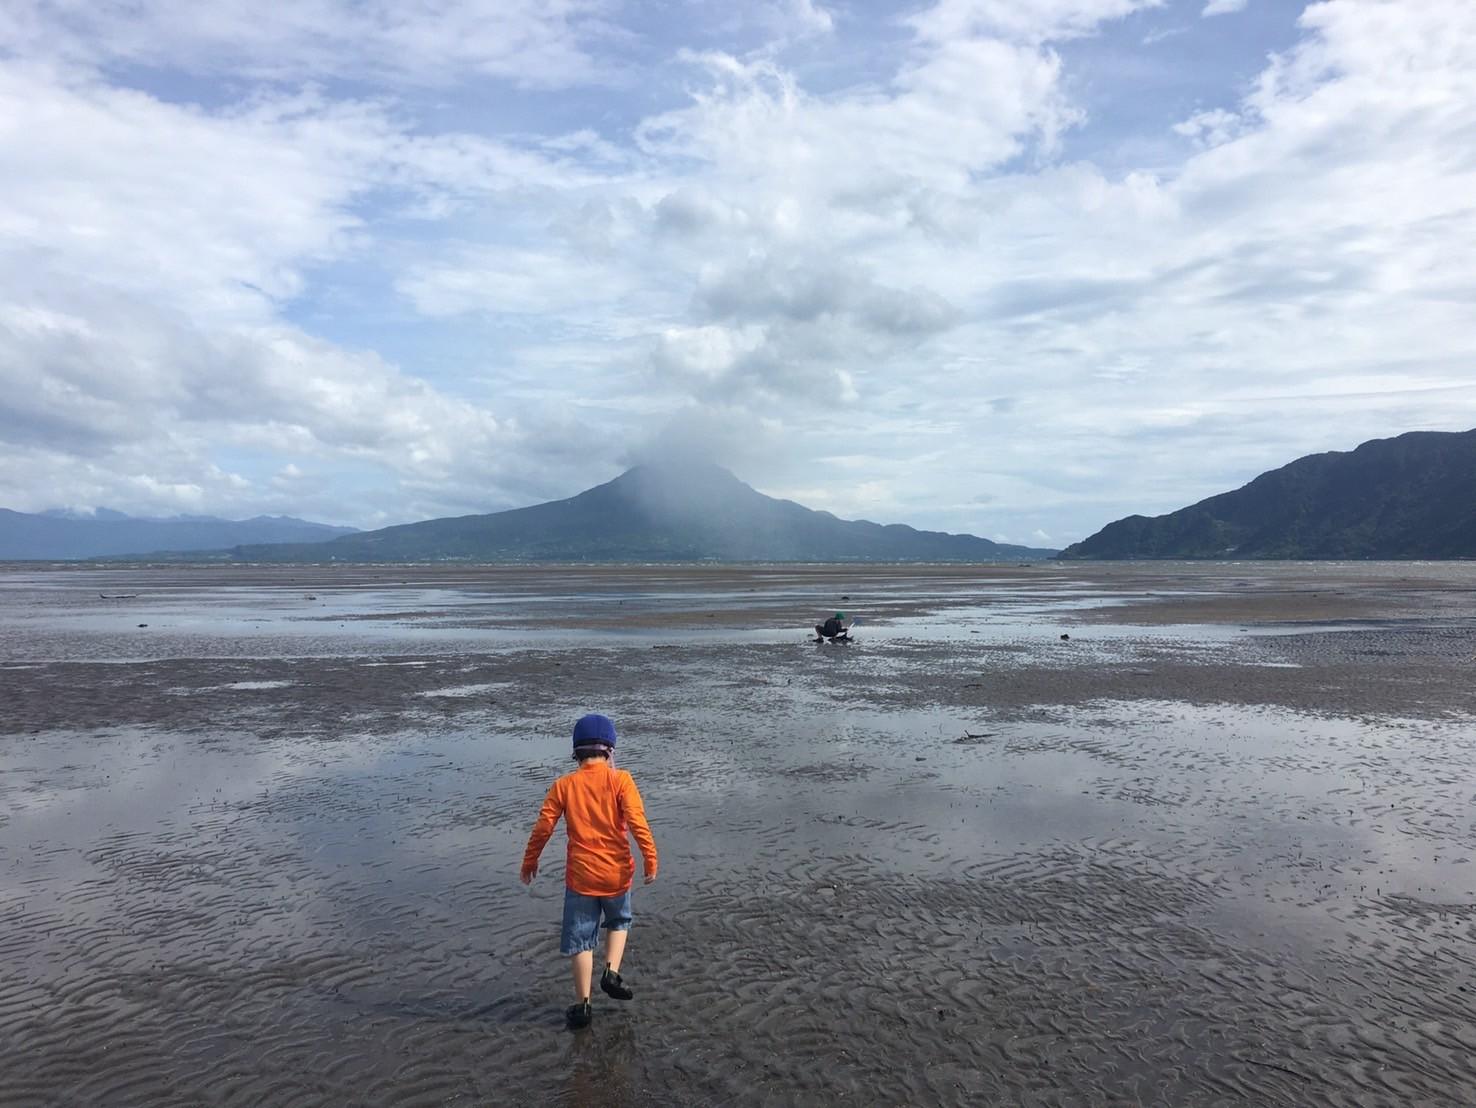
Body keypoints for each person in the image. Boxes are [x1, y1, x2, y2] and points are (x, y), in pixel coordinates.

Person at [521, 713, 659, 1030]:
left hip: (581, 878)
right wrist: (651, 859)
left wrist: (530, 861)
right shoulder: (621, 780)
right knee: (619, 920)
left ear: (576, 752)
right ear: (609, 750)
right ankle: (611, 971)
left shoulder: (564, 785)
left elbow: (543, 828)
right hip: (616, 874)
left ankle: (583, 1005)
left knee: (582, 938)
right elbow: (638, 824)